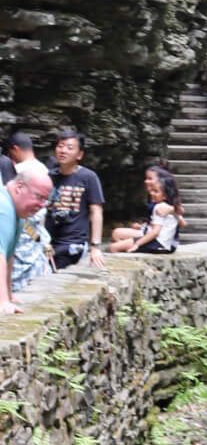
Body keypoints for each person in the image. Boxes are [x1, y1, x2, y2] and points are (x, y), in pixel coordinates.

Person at [46, 131, 105, 272]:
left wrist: (95, 246)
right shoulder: (49, 176)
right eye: (61, 146)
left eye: (70, 148)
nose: (63, 150)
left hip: (72, 244)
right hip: (49, 242)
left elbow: (96, 211)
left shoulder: (88, 177)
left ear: (79, 155)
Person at [1, 160, 53, 315]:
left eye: (45, 199)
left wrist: (9, 294)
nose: (42, 205)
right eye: (38, 197)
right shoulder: (3, 209)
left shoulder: (19, 212)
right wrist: (2, 302)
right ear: (19, 187)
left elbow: (9, 255)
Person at [111, 166, 182, 255]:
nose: (146, 181)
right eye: (146, 178)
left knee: (114, 247)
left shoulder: (162, 205)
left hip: (159, 241)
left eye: (150, 178)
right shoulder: (156, 197)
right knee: (116, 234)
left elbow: (157, 231)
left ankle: (132, 248)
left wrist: (137, 244)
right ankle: (129, 247)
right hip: (151, 234)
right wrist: (143, 226)